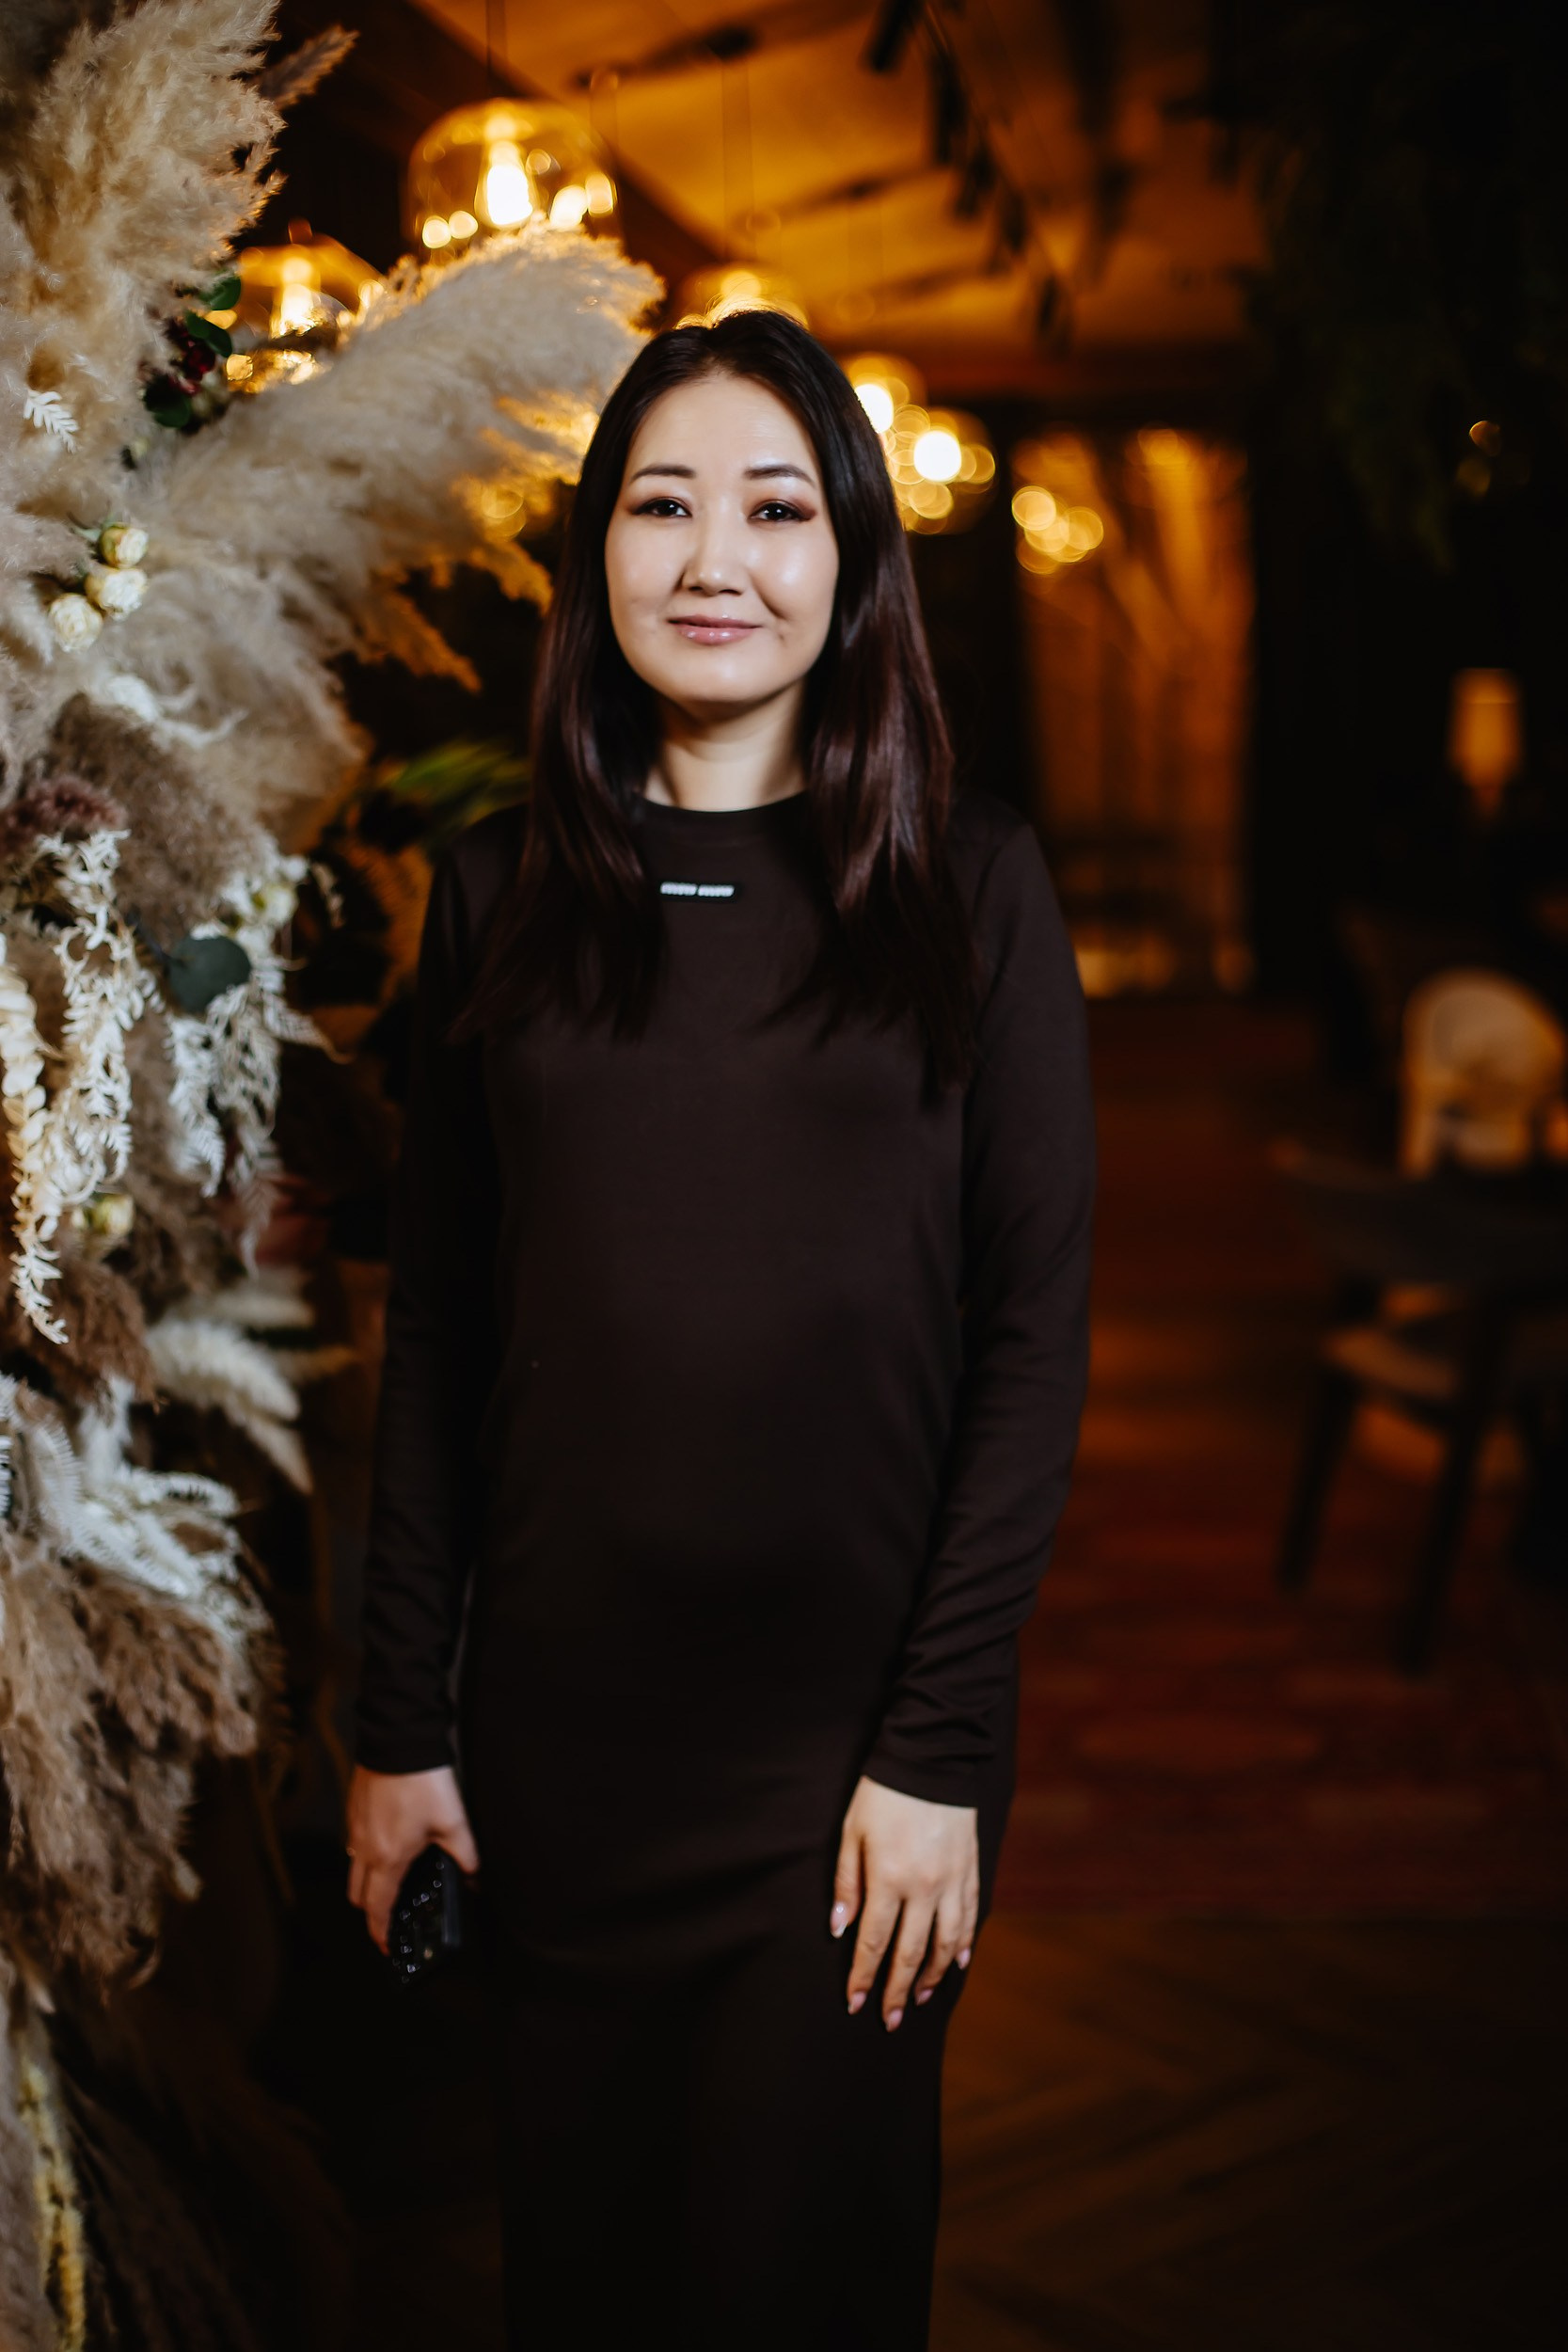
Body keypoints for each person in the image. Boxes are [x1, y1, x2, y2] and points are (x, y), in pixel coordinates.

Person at [345, 308, 1093, 2351]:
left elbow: (1033, 1339)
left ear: (851, 557)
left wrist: (937, 1749)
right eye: (661, 505)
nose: (713, 560)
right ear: (597, 550)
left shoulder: (970, 886)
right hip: (558, 1754)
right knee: (582, 2293)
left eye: (774, 509)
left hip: (844, 1774)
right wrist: (400, 1722)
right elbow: (443, 1332)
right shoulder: (498, 892)